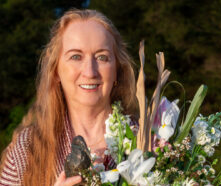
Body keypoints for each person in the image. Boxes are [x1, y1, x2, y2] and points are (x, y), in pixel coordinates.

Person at [0, 9, 137, 186]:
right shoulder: (27, 151)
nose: (90, 72)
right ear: (56, 70)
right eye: (75, 57)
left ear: (117, 69)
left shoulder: (151, 142)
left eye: (102, 57)